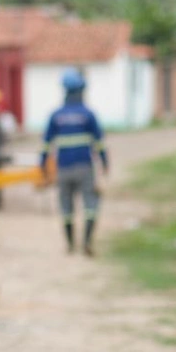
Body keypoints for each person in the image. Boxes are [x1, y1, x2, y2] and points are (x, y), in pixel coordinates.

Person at [40, 68, 108, 256]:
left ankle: (70, 245)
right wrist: (105, 164)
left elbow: (46, 145)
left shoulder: (56, 115)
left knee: (66, 208)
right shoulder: (88, 114)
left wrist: (42, 167)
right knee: (90, 205)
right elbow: (99, 143)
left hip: (63, 169)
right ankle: (87, 242)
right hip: (85, 167)